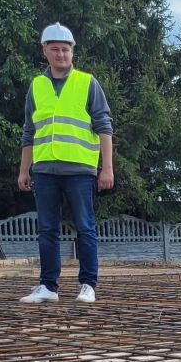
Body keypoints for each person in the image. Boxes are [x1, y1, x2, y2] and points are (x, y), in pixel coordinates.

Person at [17, 22, 114, 304]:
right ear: (45, 50)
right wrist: (25, 169)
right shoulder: (37, 86)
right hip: (45, 170)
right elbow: (29, 131)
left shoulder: (87, 83)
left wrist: (106, 167)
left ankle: (88, 284)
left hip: (80, 170)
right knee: (47, 229)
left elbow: (104, 126)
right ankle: (48, 286)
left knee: (85, 226)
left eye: (66, 49)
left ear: (72, 52)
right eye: (55, 49)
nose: (61, 54)